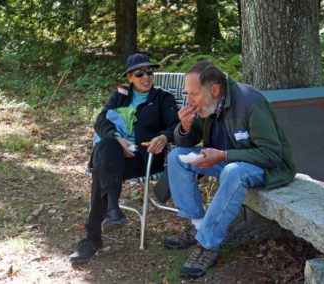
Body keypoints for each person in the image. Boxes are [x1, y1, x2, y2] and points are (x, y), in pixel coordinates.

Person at [164, 61, 296, 278]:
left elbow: (272, 154)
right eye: (188, 94)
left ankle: (207, 244)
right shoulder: (208, 105)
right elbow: (187, 141)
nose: (189, 100)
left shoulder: (250, 102)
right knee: (176, 157)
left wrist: (224, 155)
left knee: (233, 171)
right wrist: (185, 127)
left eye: (194, 94)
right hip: (227, 161)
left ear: (214, 90)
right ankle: (197, 225)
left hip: (267, 168)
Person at [70, 53, 179, 264]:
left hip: (145, 157)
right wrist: (117, 138)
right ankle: (112, 210)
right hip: (116, 156)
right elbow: (100, 120)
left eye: (149, 72)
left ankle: (94, 236)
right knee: (107, 145)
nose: (146, 76)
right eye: (139, 73)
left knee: (102, 167)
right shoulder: (120, 95)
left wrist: (164, 137)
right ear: (129, 77)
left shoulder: (162, 98)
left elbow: (176, 126)